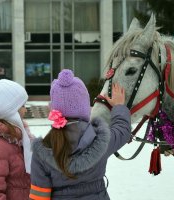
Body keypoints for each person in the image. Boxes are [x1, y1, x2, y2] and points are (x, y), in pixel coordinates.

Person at [29, 69, 131, 200]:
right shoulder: (101, 139)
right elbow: (122, 130)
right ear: (84, 105)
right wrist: (119, 106)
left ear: (54, 107)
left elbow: (39, 197)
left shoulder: (42, 150)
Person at [0, 79, 33, 200]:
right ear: (10, 110)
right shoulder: (1, 145)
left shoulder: (20, 138)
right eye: (23, 105)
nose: (26, 109)